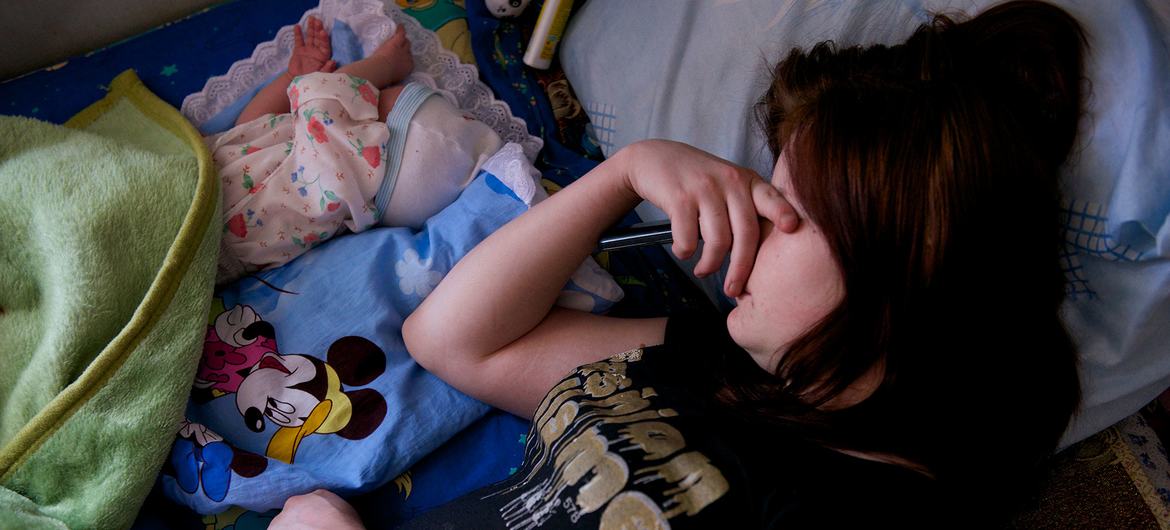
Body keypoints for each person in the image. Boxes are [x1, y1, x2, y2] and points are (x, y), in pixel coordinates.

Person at [270, 1, 1087, 527]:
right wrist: (626, 174)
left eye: (793, 212)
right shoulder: (739, 362)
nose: (760, 215)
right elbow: (454, 341)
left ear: (906, 273)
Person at [210, 16, 505, 283]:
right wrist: (293, 81)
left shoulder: (329, 175)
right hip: (210, 216)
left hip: (383, 204)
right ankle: (386, 78)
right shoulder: (216, 172)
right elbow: (246, 130)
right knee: (317, 100)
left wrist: (292, 76)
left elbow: (291, 106)